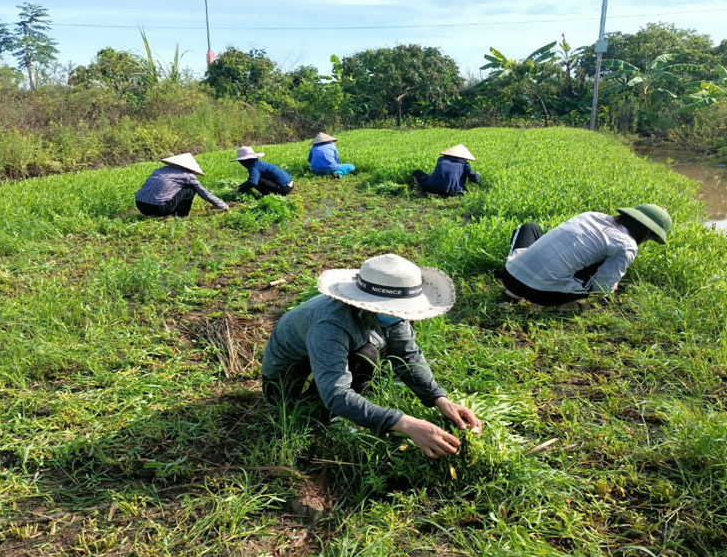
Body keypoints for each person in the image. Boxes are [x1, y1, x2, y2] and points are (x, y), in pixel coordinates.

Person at [262, 253, 483, 459]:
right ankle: (328, 418)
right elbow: (336, 394)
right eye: (396, 309)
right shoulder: (329, 325)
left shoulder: (391, 314)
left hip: (321, 363)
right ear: (370, 302)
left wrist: (438, 398)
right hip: (289, 383)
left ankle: (358, 410)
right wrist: (404, 423)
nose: (402, 316)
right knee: (365, 357)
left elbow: (407, 355)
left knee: (373, 352)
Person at [494, 204, 673, 307]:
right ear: (647, 234)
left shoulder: (592, 215)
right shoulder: (627, 245)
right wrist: (613, 286)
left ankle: (514, 292)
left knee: (529, 228)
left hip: (509, 275)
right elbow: (603, 287)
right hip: (541, 294)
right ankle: (565, 304)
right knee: (599, 267)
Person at [135, 153, 229, 218]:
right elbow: (203, 192)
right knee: (190, 189)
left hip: (140, 205)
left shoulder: (160, 170)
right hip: (159, 209)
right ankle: (180, 216)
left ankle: (172, 212)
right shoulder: (187, 175)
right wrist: (222, 205)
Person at [412, 144, 480, 197]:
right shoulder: (465, 164)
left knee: (417, 172)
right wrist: (477, 175)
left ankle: (421, 192)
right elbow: (474, 179)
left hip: (431, 187)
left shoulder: (441, 159)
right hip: (452, 192)